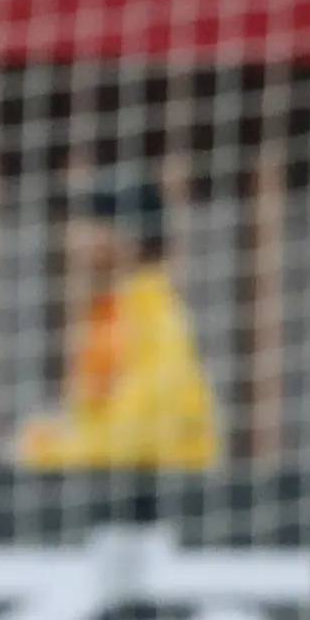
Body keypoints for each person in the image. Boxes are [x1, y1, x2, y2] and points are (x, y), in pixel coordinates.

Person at [17, 172, 222, 470]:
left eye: (93, 218)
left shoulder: (153, 314)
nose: (74, 232)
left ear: (130, 237)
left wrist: (53, 452)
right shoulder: (111, 310)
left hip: (161, 497)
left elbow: (142, 432)